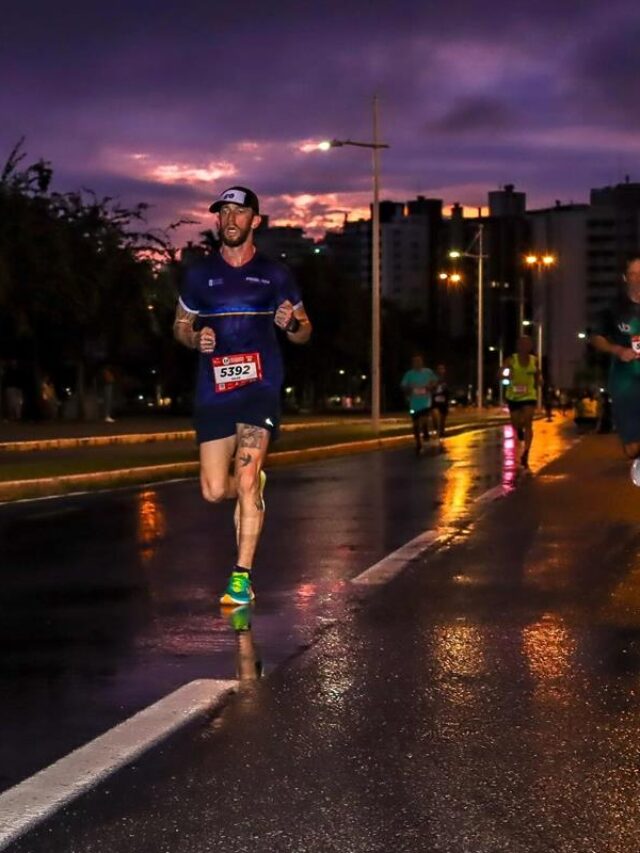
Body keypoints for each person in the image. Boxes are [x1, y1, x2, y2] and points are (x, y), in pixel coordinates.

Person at [173, 185, 311, 605]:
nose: (230, 220)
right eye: (223, 213)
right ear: (217, 220)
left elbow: (305, 331)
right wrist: (196, 338)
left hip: (259, 387)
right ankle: (252, 484)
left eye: (239, 212)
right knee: (216, 490)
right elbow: (179, 326)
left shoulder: (276, 274)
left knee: (247, 479)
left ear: (256, 220)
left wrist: (290, 324)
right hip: (214, 391)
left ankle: (241, 577)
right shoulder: (199, 274)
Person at [590, 253, 640, 485]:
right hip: (625, 381)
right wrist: (618, 351)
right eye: (633, 274)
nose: (638, 278)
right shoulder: (614, 309)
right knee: (631, 450)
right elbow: (597, 338)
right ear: (625, 278)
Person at [503, 336, 540, 469]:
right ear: (518, 346)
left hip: (529, 395)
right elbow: (502, 373)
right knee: (516, 422)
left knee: (528, 421)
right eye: (522, 344)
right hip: (513, 396)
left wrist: (540, 380)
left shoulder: (534, 360)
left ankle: (526, 452)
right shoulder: (511, 359)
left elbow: (537, 374)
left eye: (528, 344)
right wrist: (506, 375)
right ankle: (518, 429)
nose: (525, 346)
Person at [400, 354, 437, 456]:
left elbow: (434, 381)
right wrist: (409, 389)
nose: (417, 363)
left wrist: (430, 386)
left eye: (419, 361)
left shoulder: (428, 372)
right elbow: (403, 386)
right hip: (414, 404)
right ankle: (418, 443)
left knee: (424, 420)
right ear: (413, 363)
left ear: (422, 362)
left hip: (426, 402)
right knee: (416, 424)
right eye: (415, 361)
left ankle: (425, 433)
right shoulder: (409, 374)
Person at [431, 363, 450, 447]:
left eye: (442, 369)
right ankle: (436, 429)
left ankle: (441, 431)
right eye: (439, 368)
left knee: (442, 418)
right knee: (434, 415)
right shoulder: (433, 379)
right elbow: (431, 388)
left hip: (443, 401)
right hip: (435, 400)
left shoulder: (447, 380)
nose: (441, 370)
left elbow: (449, 391)